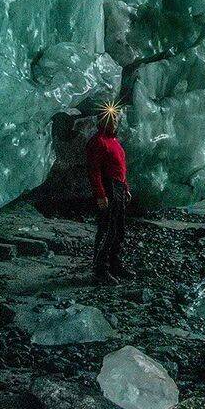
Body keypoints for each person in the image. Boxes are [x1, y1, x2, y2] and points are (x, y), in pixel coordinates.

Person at [87, 103, 130, 283]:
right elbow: (94, 170)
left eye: (114, 119)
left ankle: (113, 263)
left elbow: (121, 168)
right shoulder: (97, 142)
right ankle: (100, 269)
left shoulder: (115, 143)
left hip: (118, 186)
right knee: (107, 229)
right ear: (101, 121)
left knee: (118, 229)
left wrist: (125, 188)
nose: (113, 122)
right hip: (108, 186)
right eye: (109, 119)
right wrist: (100, 194)